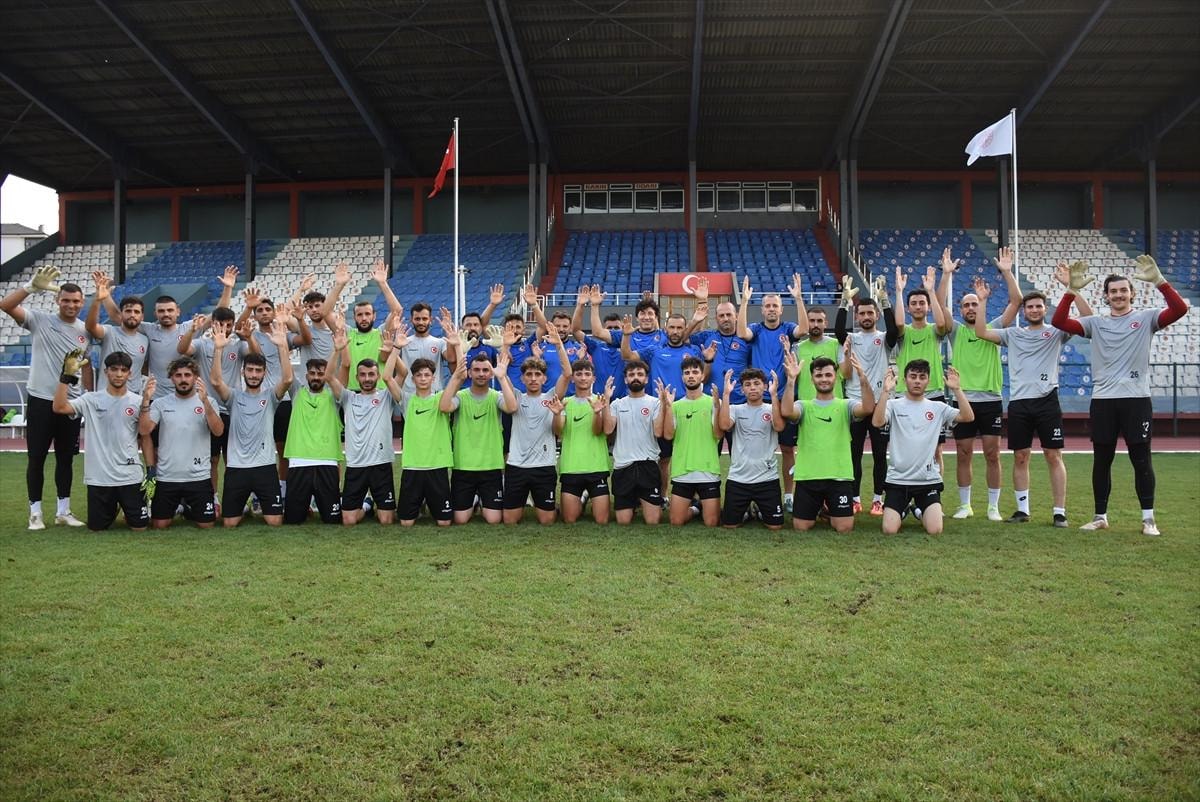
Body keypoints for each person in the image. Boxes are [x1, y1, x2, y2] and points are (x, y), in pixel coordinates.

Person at [1051, 255, 1189, 535]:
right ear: (1106, 296)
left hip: (1137, 400)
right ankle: (1100, 516)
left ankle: (1148, 520)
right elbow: (1059, 321)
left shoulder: (1146, 318)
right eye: (1113, 291)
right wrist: (1071, 290)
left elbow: (1179, 309)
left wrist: (1160, 281)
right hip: (1103, 401)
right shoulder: (1096, 323)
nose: (1118, 295)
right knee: (1102, 460)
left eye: (1123, 290)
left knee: (1142, 459)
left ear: (1132, 293)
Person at [971, 262, 1093, 527]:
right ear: (1024, 311)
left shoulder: (1056, 332)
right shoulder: (1013, 334)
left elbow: (1088, 319)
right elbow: (980, 332)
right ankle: (1022, 510)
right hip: (1019, 403)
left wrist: (1071, 288)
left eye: (1039, 306)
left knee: (1053, 455)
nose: (1034, 310)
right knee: (1020, 456)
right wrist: (981, 301)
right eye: (1030, 307)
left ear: (1045, 309)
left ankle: (1059, 511)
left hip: (1047, 400)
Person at [0, 265, 90, 529]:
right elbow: (5, 305)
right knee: (36, 458)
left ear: (82, 302)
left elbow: (87, 365)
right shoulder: (40, 320)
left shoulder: (86, 330)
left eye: (75, 301)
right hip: (40, 399)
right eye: (66, 300)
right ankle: (35, 513)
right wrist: (30, 287)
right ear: (57, 300)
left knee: (66, 459)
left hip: (70, 402)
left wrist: (87, 394)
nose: (71, 305)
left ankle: (63, 511)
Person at [937, 247, 1021, 522]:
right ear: (961, 310)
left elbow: (1016, 302)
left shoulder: (993, 328)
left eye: (975, 304)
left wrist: (1007, 272)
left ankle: (993, 507)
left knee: (992, 454)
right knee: (963, 453)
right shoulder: (956, 331)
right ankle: (965, 505)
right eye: (967, 305)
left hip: (990, 400)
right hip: (963, 401)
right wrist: (946, 275)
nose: (971, 308)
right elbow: (939, 305)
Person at [53, 350, 153, 531]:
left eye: (123, 370)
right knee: (97, 528)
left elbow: (145, 434)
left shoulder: (138, 401)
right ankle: (114, 506)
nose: (119, 374)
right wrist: (65, 378)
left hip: (130, 476)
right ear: (106, 372)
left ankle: (124, 504)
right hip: (99, 478)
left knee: (140, 527)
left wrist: (150, 470)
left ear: (130, 374)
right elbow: (59, 407)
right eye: (114, 369)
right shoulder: (91, 399)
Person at [872, 361, 973, 536]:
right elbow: (877, 422)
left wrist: (957, 389)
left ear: (928, 380)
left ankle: (918, 510)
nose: (917, 381)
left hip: (927, 481)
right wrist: (885, 392)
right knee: (889, 530)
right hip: (898, 480)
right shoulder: (893, 405)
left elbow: (968, 416)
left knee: (935, 530)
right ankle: (903, 509)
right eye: (913, 377)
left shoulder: (937, 408)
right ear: (905, 380)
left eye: (922, 377)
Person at [208, 321, 293, 528]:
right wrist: (218, 349)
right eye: (250, 370)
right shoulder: (234, 397)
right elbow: (216, 382)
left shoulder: (270, 396)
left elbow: (288, 379)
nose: (254, 375)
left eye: (258, 371)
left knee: (275, 521)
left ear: (264, 373)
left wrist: (283, 346)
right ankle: (242, 507)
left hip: (265, 468)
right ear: (243, 372)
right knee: (229, 523)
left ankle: (254, 504)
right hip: (237, 468)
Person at [782, 353, 876, 533]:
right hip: (808, 477)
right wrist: (791, 380)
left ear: (835, 377)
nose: (823, 379)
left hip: (838, 477)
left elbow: (868, 408)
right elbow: (786, 411)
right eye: (819, 375)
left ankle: (827, 508)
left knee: (843, 527)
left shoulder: (846, 405)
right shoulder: (804, 406)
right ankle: (820, 507)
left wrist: (863, 378)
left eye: (828, 375)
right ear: (812, 379)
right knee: (801, 527)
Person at [738, 274, 804, 512]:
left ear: (781, 309)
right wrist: (744, 301)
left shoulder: (788, 328)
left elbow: (804, 329)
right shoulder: (756, 329)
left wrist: (799, 298)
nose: (771, 309)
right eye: (767, 306)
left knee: (787, 449)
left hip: (785, 398)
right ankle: (750, 496)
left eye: (775, 305)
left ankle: (789, 495)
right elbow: (741, 333)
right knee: (755, 448)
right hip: (760, 399)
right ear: (762, 310)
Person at [179, 306, 253, 515]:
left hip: (233, 409)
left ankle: (236, 498)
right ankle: (212, 498)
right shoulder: (202, 344)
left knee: (233, 458)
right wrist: (191, 330)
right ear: (213, 324)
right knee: (211, 459)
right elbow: (183, 349)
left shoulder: (238, 345)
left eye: (229, 325)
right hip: (208, 409)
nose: (225, 329)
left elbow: (256, 355)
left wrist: (248, 337)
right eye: (221, 324)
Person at [497, 325, 572, 524]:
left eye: (537, 375)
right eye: (529, 375)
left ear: (544, 378)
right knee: (510, 520)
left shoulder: (551, 397)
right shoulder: (516, 397)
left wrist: (559, 346)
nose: (533, 378)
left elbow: (567, 374)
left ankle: (552, 507)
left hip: (544, 466)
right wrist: (505, 346)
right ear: (522, 378)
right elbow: (502, 372)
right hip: (517, 466)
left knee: (547, 520)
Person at [138, 358, 224, 529]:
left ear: (195, 378)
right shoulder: (161, 403)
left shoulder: (209, 402)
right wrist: (146, 399)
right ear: (172, 378)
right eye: (178, 375)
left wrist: (205, 402)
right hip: (167, 477)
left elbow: (218, 431)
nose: (183, 379)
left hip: (198, 477)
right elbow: (144, 430)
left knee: (206, 525)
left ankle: (186, 507)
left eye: (187, 375)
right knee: (159, 525)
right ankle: (180, 506)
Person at [835, 276, 896, 515]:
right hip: (855, 403)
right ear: (857, 316)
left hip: (880, 403)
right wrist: (844, 301)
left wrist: (885, 300)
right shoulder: (851, 339)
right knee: (854, 454)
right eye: (862, 313)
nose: (866, 316)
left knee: (880, 454)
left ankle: (878, 499)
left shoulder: (884, 339)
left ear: (877, 315)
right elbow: (838, 330)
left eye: (870, 312)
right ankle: (855, 498)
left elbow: (894, 330)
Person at [892, 265, 949, 473]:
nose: (918, 307)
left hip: (933, 393)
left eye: (922, 303)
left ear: (928, 307)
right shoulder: (904, 332)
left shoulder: (934, 330)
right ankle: (907, 488)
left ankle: (935, 488)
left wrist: (931, 290)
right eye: (914, 303)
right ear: (908, 308)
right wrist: (899, 291)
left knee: (936, 450)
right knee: (905, 447)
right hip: (904, 395)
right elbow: (898, 323)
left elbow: (942, 324)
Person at [442, 352, 508, 524]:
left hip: (490, 466)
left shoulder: (496, 396)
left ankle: (482, 500)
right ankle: (474, 499)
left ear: (491, 373)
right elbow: (444, 407)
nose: (481, 374)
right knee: (460, 520)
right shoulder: (461, 396)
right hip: (464, 466)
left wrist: (502, 378)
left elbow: (512, 407)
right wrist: (456, 377)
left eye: (485, 370)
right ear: (470, 373)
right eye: (476, 370)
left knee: (494, 520)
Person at [717, 368, 786, 530]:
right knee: (730, 525)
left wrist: (774, 395)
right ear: (742, 390)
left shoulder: (771, 408)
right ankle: (746, 512)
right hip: (738, 478)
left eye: (756, 383)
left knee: (775, 527)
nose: (752, 387)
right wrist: (726, 394)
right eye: (747, 385)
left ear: (764, 386)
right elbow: (724, 425)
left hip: (767, 478)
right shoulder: (735, 409)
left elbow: (779, 426)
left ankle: (761, 512)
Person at [282, 354, 344, 525]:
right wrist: (282, 347)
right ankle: (304, 505)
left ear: (326, 376)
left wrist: (338, 349)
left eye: (320, 374)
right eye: (312, 373)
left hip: (327, 462)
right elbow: (287, 376)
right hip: (299, 462)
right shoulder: (297, 392)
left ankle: (364, 504)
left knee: (332, 520)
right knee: (293, 520)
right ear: (306, 375)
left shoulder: (334, 396)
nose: (316, 377)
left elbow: (345, 366)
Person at [663, 355, 724, 527]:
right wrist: (668, 407)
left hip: (707, 470)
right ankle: (697, 508)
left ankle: (705, 506)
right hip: (682, 471)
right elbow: (668, 435)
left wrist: (717, 408)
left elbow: (718, 434)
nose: (691, 375)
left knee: (712, 522)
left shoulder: (713, 402)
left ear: (702, 376)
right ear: (682, 377)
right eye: (687, 372)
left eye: (695, 372)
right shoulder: (675, 405)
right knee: (676, 521)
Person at [604, 360, 667, 525]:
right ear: (626, 379)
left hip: (648, 466)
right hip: (623, 467)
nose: (635, 377)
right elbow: (608, 430)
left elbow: (658, 432)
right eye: (631, 375)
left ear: (646, 379)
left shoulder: (655, 403)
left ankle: (644, 501)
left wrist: (663, 404)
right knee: (623, 521)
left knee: (653, 521)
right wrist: (606, 400)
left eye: (640, 374)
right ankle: (633, 501)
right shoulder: (617, 404)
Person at [558, 362, 614, 524]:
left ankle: (588, 493)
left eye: (587, 374)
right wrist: (556, 414)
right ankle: (582, 497)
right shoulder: (565, 402)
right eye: (579, 374)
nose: (583, 378)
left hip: (596, 466)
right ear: (573, 378)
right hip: (571, 467)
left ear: (593, 378)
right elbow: (557, 431)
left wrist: (597, 412)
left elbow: (599, 431)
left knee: (602, 520)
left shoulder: (600, 400)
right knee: (569, 519)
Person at [86, 271, 149, 393]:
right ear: (121, 314)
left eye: (136, 312)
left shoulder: (145, 340)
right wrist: (97, 300)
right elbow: (90, 327)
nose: (132, 315)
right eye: (128, 311)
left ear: (142, 317)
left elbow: (143, 368)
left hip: (133, 398)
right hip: (106, 396)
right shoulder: (109, 332)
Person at [576, 284, 628, 399]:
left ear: (623, 328)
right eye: (609, 328)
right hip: (599, 400)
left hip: (623, 402)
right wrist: (580, 305)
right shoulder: (596, 346)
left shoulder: (630, 347)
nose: (613, 331)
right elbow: (575, 331)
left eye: (616, 328)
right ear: (604, 329)